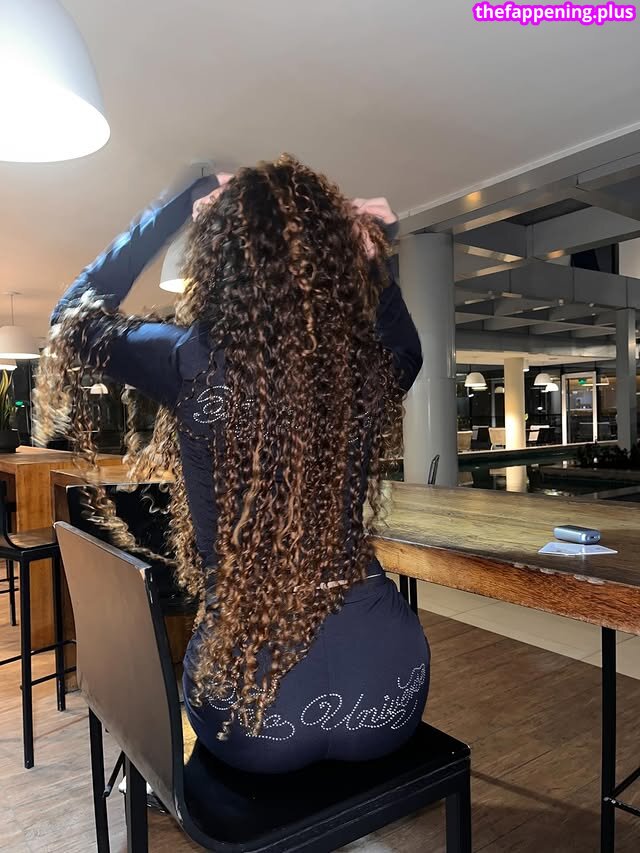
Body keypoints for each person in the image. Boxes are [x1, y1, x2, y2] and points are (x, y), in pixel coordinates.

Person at [35, 155, 429, 774]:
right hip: (390, 696)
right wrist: (372, 255)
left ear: (221, 258)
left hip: (255, 714)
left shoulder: (188, 359)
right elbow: (407, 348)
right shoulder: (361, 373)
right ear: (330, 265)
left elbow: (72, 315)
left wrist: (176, 206)